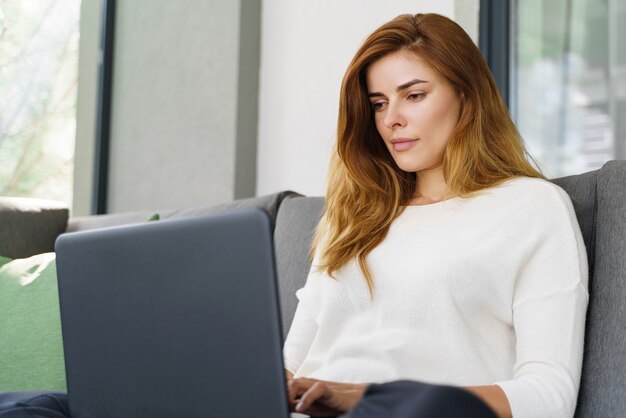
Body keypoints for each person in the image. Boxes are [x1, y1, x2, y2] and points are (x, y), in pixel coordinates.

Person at [283, 13, 588, 418]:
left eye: (414, 95)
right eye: (378, 103)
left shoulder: (532, 207)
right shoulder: (352, 219)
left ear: (466, 94)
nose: (391, 119)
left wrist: (368, 398)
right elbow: (287, 369)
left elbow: (550, 396)